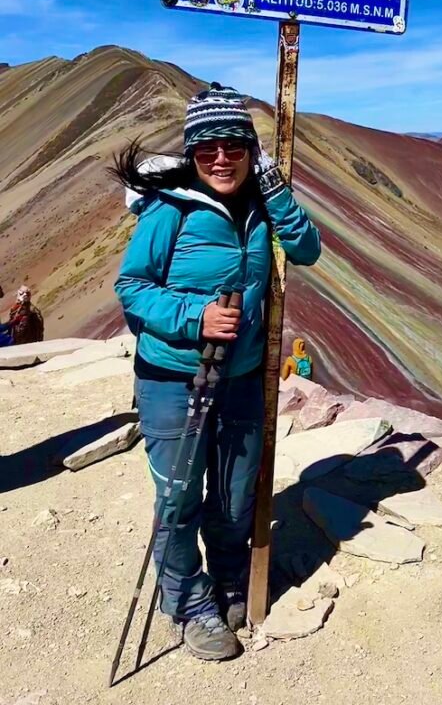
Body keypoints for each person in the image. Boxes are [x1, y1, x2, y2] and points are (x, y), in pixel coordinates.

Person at [111, 83, 321, 662]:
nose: (221, 158)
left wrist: (277, 196)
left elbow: (307, 249)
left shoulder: (260, 203)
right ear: (191, 154)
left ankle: (229, 577)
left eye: (234, 145)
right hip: (173, 379)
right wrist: (194, 316)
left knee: (234, 496)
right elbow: (131, 288)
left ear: (252, 151)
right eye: (208, 148)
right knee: (178, 499)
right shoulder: (167, 209)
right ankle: (187, 600)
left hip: (243, 379)